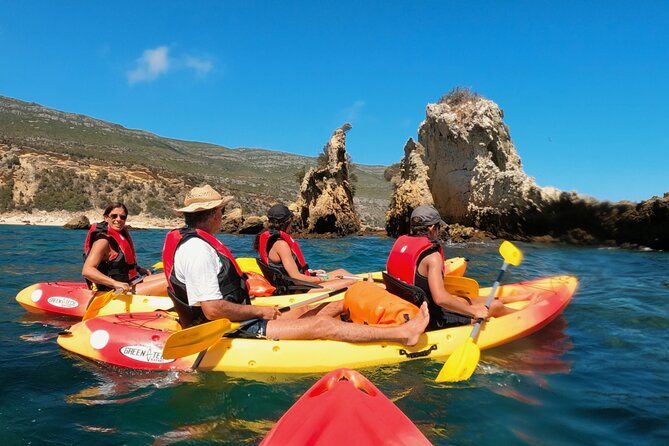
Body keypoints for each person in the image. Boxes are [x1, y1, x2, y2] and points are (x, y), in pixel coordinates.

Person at [162, 184, 429, 345]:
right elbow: (211, 309)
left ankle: (368, 324)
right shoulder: (197, 249)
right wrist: (259, 313)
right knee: (322, 324)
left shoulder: (197, 243)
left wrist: (257, 312)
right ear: (215, 214)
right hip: (226, 330)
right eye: (221, 210)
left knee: (329, 305)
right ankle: (402, 333)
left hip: (238, 318)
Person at [385, 204, 519, 332]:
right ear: (432, 228)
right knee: (495, 306)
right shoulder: (432, 256)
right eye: (438, 227)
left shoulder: (400, 246)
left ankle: (523, 299)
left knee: (467, 300)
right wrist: (474, 312)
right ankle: (525, 317)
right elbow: (440, 299)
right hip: (430, 318)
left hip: (408, 309)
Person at [252, 203, 357, 293]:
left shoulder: (269, 240)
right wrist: (323, 278)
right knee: (352, 282)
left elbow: (285, 270)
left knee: (341, 272)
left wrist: (312, 273)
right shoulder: (281, 245)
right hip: (299, 289)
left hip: (296, 283)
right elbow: (296, 279)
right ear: (287, 223)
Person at [82, 202, 166, 295]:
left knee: (171, 277)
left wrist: (138, 269)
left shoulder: (120, 236)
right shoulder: (103, 241)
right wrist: (115, 283)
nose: (118, 219)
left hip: (130, 282)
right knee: (170, 282)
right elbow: (87, 271)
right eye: (114, 216)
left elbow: (121, 264)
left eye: (122, 217)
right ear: (106, 218)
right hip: (116, 291)